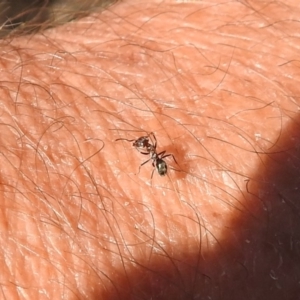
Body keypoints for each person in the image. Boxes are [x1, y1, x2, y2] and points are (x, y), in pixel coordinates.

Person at [0, 0, 299, 299]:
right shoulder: (157, 152)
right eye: (145, 147)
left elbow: (155, 152)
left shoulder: (156, 154)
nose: (148, 149)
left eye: (146, 146)